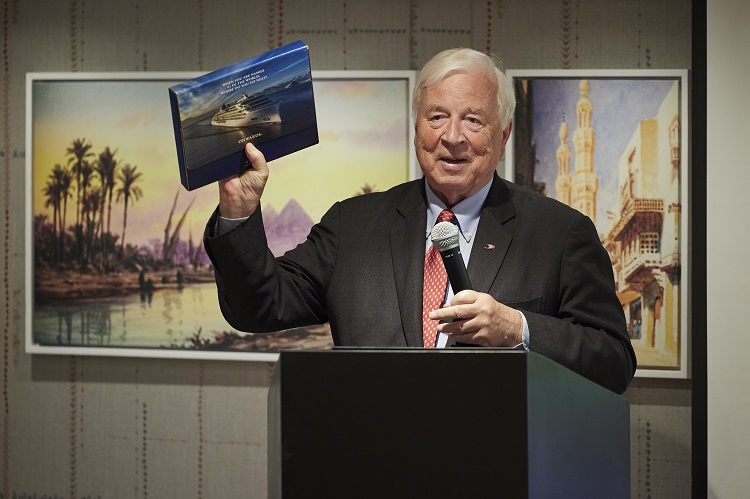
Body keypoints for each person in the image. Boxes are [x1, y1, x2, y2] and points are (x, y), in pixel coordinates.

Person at [203, 48, 636, 394]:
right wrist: (238, 211)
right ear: (417, 129)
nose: (452, 137)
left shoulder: (561, 233)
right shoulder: (352, 225)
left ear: (502, 135)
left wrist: (518, 329)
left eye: (473, 119)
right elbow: (257, 307)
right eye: (437, 117)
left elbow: (614, 363)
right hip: (371, 467)